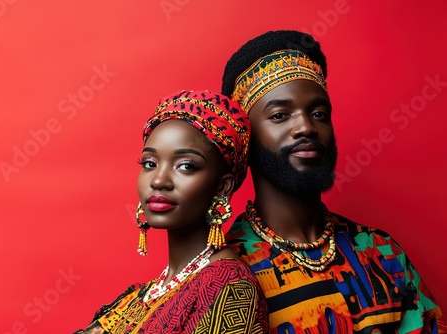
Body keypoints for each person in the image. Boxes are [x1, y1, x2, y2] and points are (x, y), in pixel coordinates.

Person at [221, 30, 444, 333]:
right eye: (279, 116)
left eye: (318, 113)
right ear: (247, 138)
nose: (306, 127)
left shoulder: (381, 250)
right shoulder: (228, 273)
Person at [74, 90, 269, 334]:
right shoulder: (145, 294)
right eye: (149, 164)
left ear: (222, 186)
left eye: (185, 166)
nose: (158, 180)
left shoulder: (231, 289)